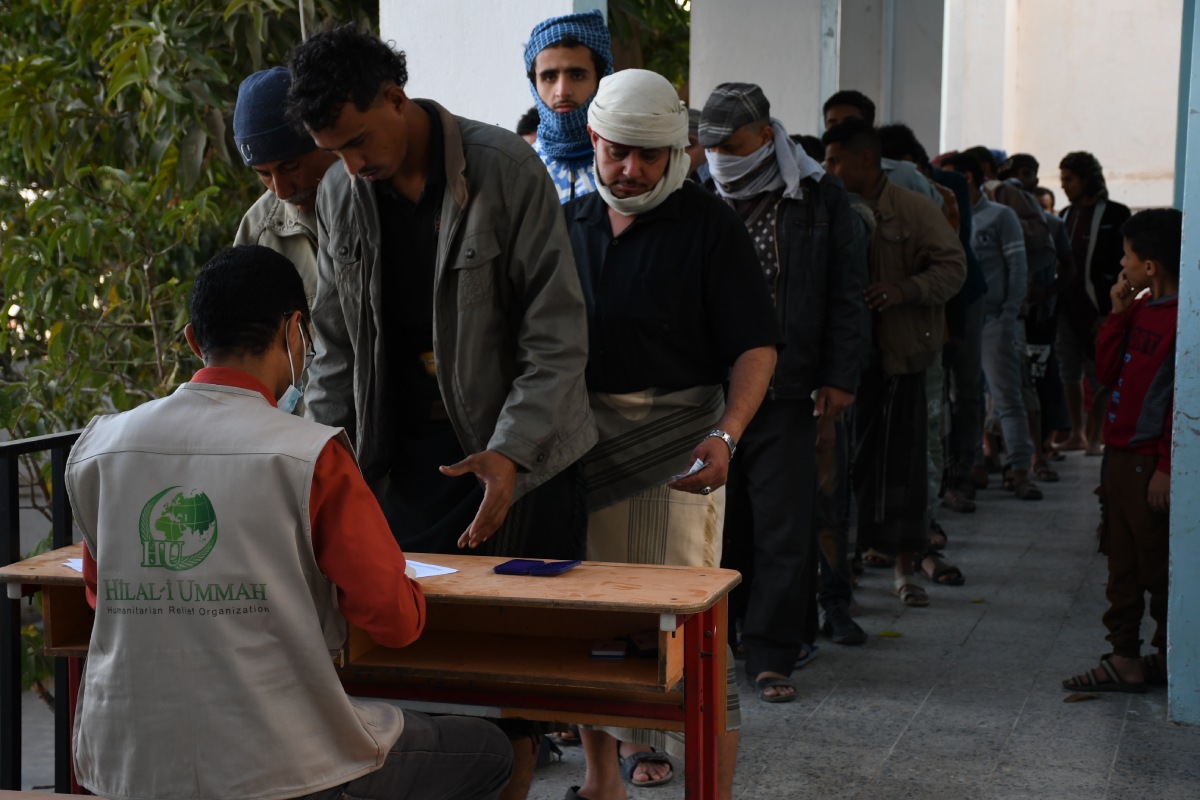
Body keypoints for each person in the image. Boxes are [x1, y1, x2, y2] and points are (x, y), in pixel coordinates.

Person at [65, 245, 513, 800]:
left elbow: (99, 594)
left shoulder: (101, 449)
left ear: (193, 340)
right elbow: (394, 621)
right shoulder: (310, 455)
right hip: (279, 766)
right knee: (490, 752)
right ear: (294, 329)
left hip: (127, 765)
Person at [288, 27, 596, 797]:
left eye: (358, 141)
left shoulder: (506, 168)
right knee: (412, 652)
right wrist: (317, 463)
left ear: (397, 98)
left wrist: (511, 451)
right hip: (406, 456)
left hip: (520, 452)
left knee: (514, 667)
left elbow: (556, 336)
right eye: (333, 151)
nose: (350, 165)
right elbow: (334, 349)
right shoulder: (341, 192)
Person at [565, 69, 779, 800]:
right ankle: (601, 780)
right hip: (580, 451)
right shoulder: (568, 223)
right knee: (590, 628)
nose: (631, 170)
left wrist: (729, 433)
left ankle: (710, 789)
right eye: (617, 151)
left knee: (686, 636)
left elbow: (755, 345)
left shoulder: (710, 227)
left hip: (680, 452)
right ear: (593, 139)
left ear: (677, 153)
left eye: (649, 156)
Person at [698, 83, 868, 687]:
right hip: (711, 392)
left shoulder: (818, 197)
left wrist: (839, 378)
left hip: (789, 390)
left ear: (767, 137)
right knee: (723, 525)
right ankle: (722, 641)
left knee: (783, 524)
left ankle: (773, 653)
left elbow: (846, 293)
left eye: (733, 145)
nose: (721, 158)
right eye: (712, 147)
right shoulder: (698, 194)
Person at [822, 119, 965, 609]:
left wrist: (905, 290)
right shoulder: (829, 209)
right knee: (847, 472)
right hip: (845, 366)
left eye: (836, 161)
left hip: (901, 358)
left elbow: (953, 267)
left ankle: (907, 568)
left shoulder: (914, 208)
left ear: (865, 160)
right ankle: (845, 569)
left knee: (906, 469)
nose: (828, 170)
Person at [1062, 208, 1179, 693]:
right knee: (1121, 563)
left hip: (1148, 463)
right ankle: (1124, 657)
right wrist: (1115, 314)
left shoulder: (1185, 320)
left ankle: (1172, 657)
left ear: (1149, 265)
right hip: (1119, 454)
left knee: (1158, 566)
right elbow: (1107, 372)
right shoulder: (1138, 307)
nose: (1121, 265)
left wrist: (1166, 467)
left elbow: (1181, 403)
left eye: (1126, 256)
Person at [944, 153, 1043, 500]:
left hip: (994, 320)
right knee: (964, 396)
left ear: (968, 178)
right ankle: (971, 465)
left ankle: (1020, 470)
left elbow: (1018, 267)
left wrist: (1009, 314)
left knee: (1006, 397)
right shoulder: (948, 214)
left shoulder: (1001, 215)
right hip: (958, 321)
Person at [232, 66, 338, 307]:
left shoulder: (383, 189)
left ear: (326, 142)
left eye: (290, 167)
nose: (281, 191)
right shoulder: (257, 237)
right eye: (263, 174)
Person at [1057, 151, 1131, 455]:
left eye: (1070, 179)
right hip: (1066, 307)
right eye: (1062, 179)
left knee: (1101, 372)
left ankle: (1095, 435)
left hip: (1098, 309)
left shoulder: (1116, 213)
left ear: (1087, 179)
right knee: (1068, 370)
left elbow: (1123, 264)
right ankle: (1077, 433)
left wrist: (1109, 312)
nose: (1064, 185)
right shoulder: (1065, 215)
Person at [524, 10, 613, 202]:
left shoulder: (627, 170)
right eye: (549, 77)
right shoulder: (521, 170)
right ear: (534, 84)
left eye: (577, 75)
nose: (562, 91)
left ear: (601, 79)